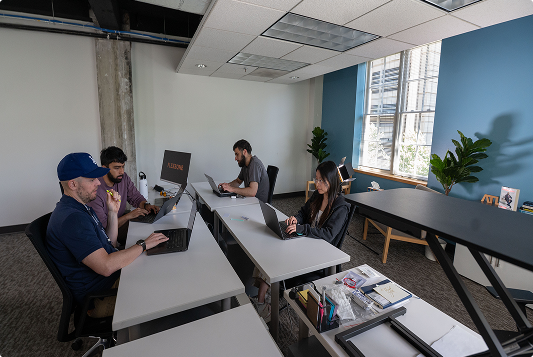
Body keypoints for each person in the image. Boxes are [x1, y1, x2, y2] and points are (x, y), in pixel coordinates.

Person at [47, 152, 168, 318]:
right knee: (160, 289)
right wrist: (143, 244)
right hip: (100, 296)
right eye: (91, 180)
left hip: (109, 279)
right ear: (73, 184)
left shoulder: (81, 206)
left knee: (157, 268)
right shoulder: (73, 219)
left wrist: (112, 212)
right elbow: (105, 266)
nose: (98, 182)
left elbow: (109, 244)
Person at [252, 161, 350, 322]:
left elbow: (328, 234)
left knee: (274, 257)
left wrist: (302, 229)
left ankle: (262, 303)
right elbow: (303, 212)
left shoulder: (340, 207)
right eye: (316, 179)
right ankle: (262, 300)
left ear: (331, 181)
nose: (317, 184)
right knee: (269, 249)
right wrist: (295, 219)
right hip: (305, 241)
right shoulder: (318, 195)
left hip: (318, 254)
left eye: (321, 180)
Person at [87, 146, 159, 230]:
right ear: (104, 168)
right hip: (107, 235)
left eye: (123, 166)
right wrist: (128, 216)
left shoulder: (123, 178)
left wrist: (146, 205)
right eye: (117, 168)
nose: (122, 171)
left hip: (120, 224)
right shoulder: (94, 191)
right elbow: (104, 228)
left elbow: (135, 197)